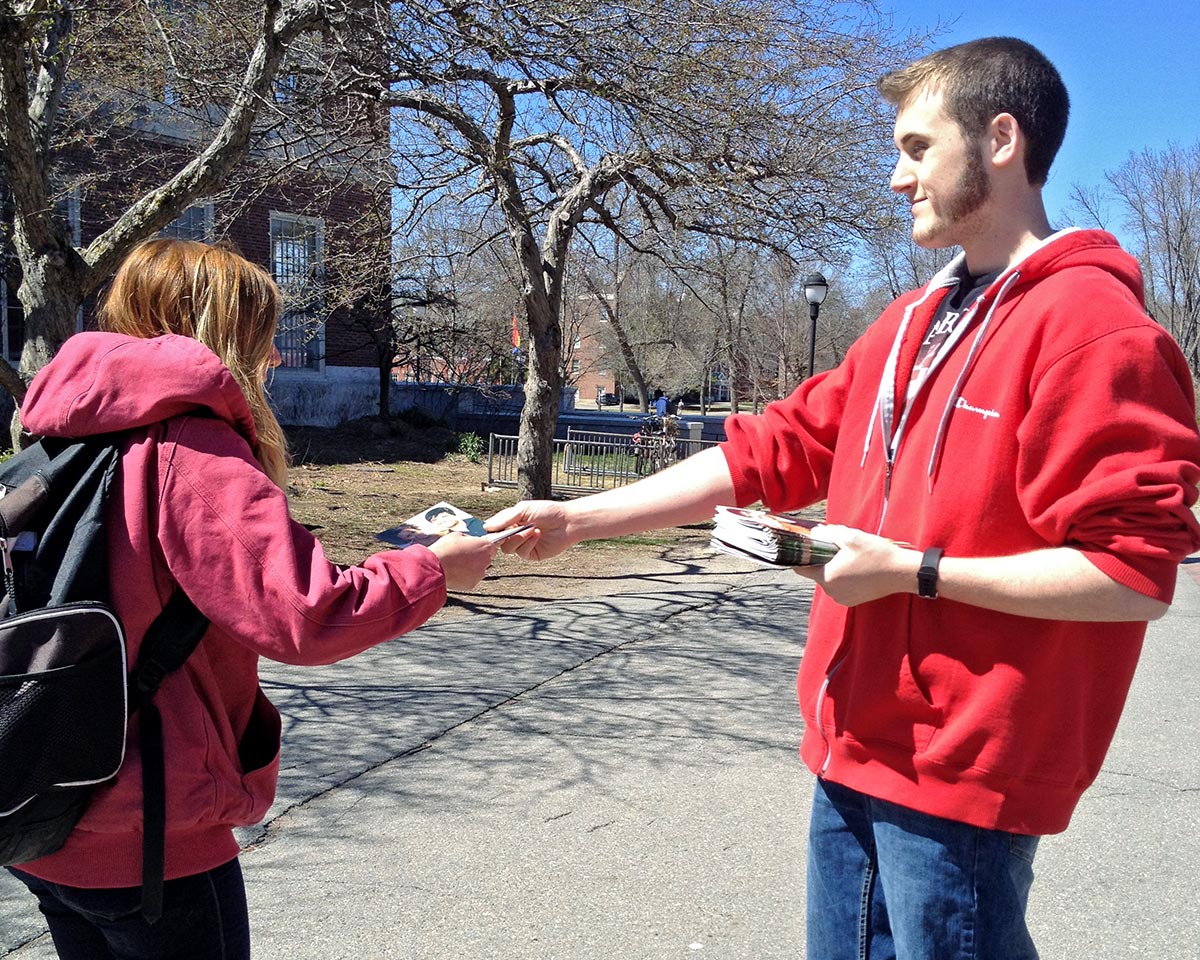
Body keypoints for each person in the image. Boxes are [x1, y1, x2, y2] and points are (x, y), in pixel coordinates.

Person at [486, 37, 1200, 959]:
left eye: (914, 148)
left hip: (962, 774)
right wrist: (578, 518)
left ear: (1002, 139)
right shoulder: (906, 324)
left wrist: (914, 573)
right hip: (849, 747)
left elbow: (1131, 574)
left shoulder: (1099, 334)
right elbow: (771, 450)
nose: (896, 178)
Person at [4, 239, 498, 959]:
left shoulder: (55, 439)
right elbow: (308, 614)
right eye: (264, 339)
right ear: (221, 333)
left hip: (41, 810)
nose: (270, 360)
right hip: (151, 843)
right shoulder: (191, 450)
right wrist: (435, 572)